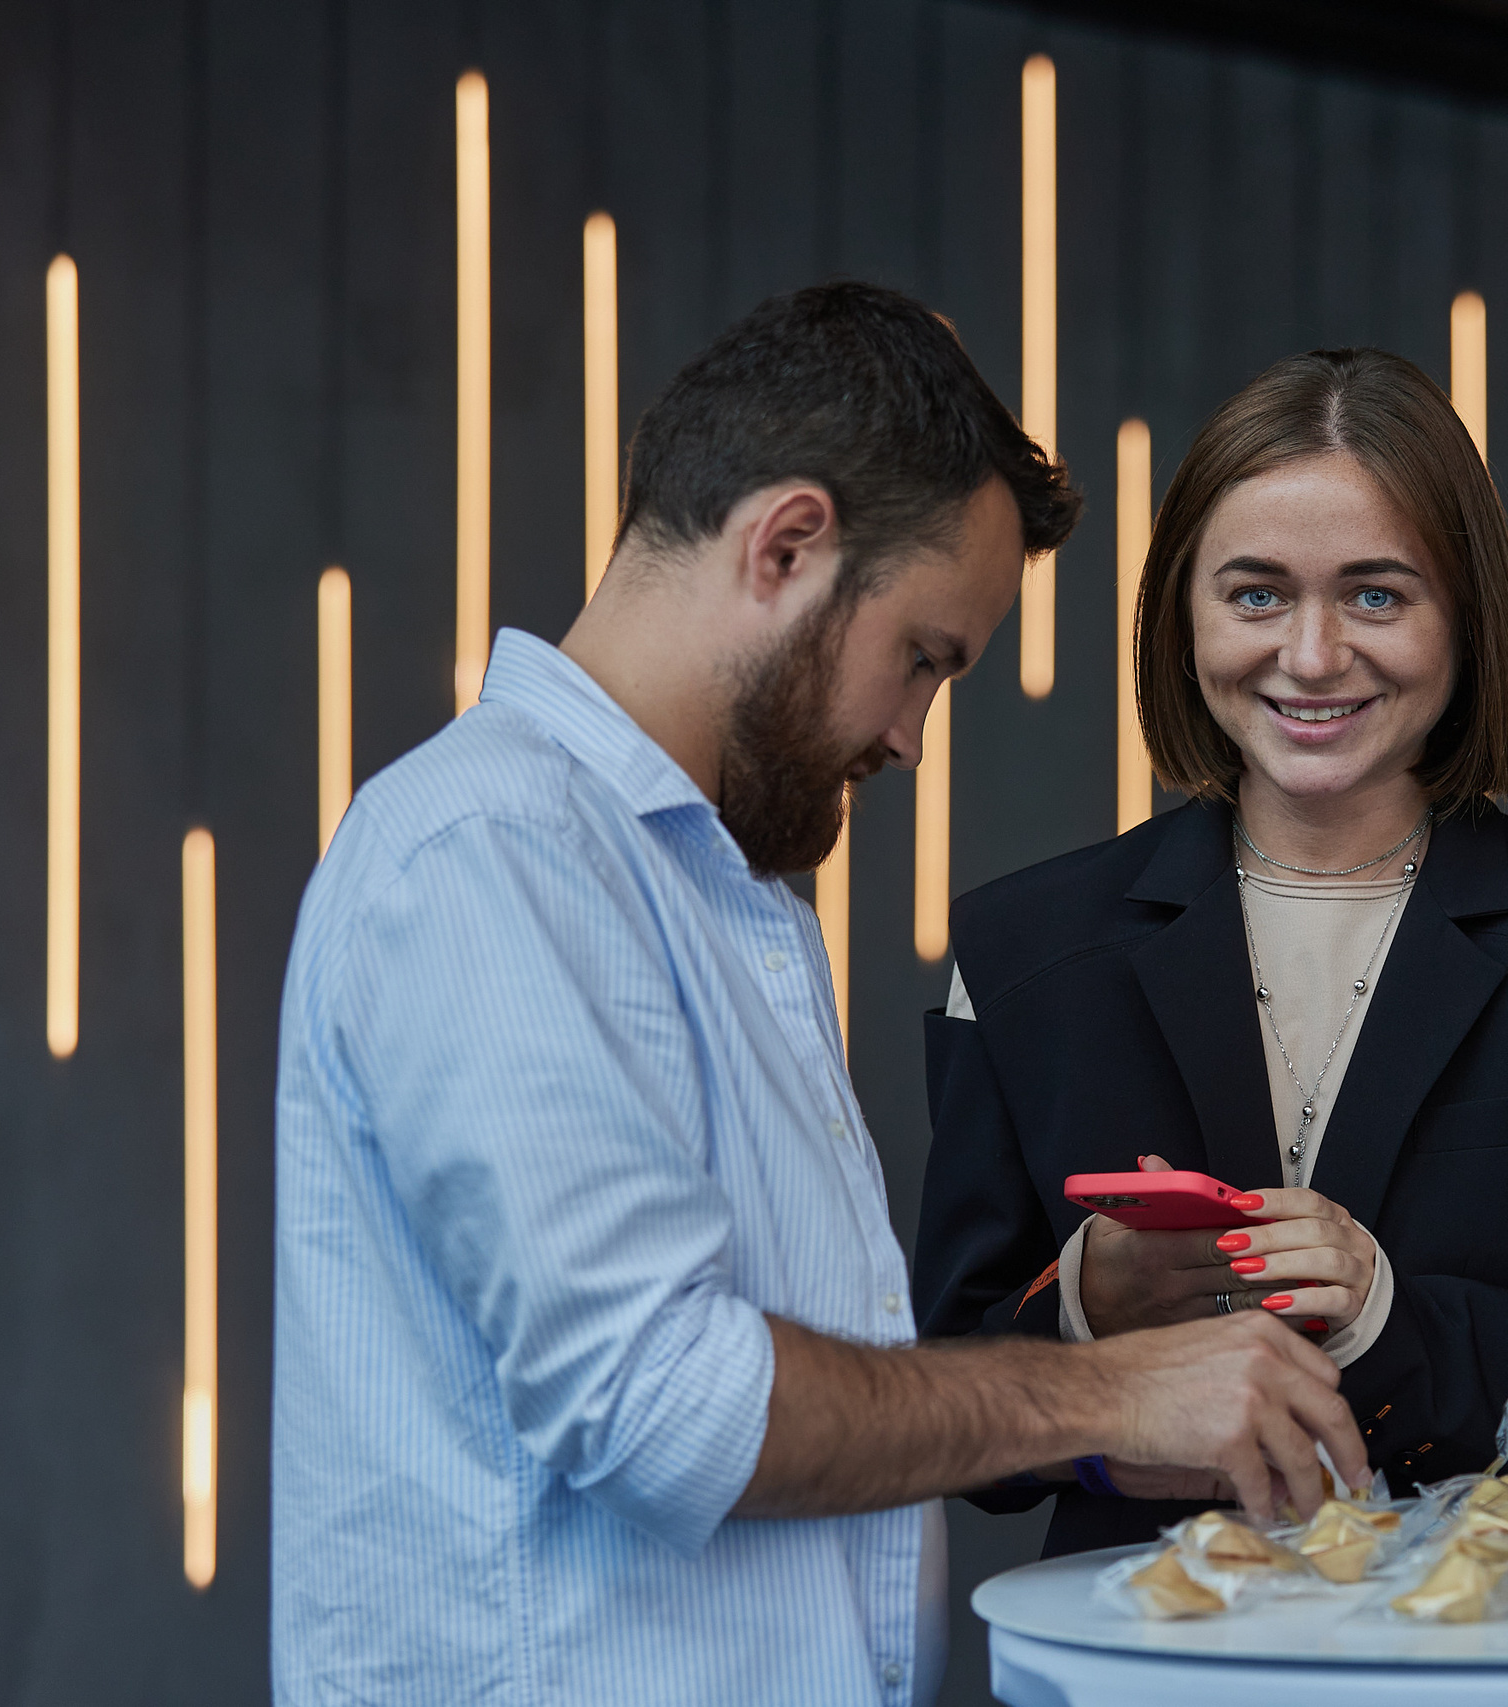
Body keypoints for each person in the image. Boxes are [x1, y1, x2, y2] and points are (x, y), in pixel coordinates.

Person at [271, 283, 1366, 1707]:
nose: (912, 736)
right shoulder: (491, 851)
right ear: (787, 543)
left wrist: (1107, 1388)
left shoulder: (721, 894)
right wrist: (1112, 1389)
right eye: (922, 656)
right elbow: (671, 1403)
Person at [914, 348, 1508, 1557]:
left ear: (1467, 621)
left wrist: (1386, 1322)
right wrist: (1084, 1315)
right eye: (1255, 594)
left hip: (1500, 1661)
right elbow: (951, 1407)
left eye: (1376, 595)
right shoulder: (1020, 955)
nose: (1310, 657)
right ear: (1180, 614)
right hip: (1141, 1662)